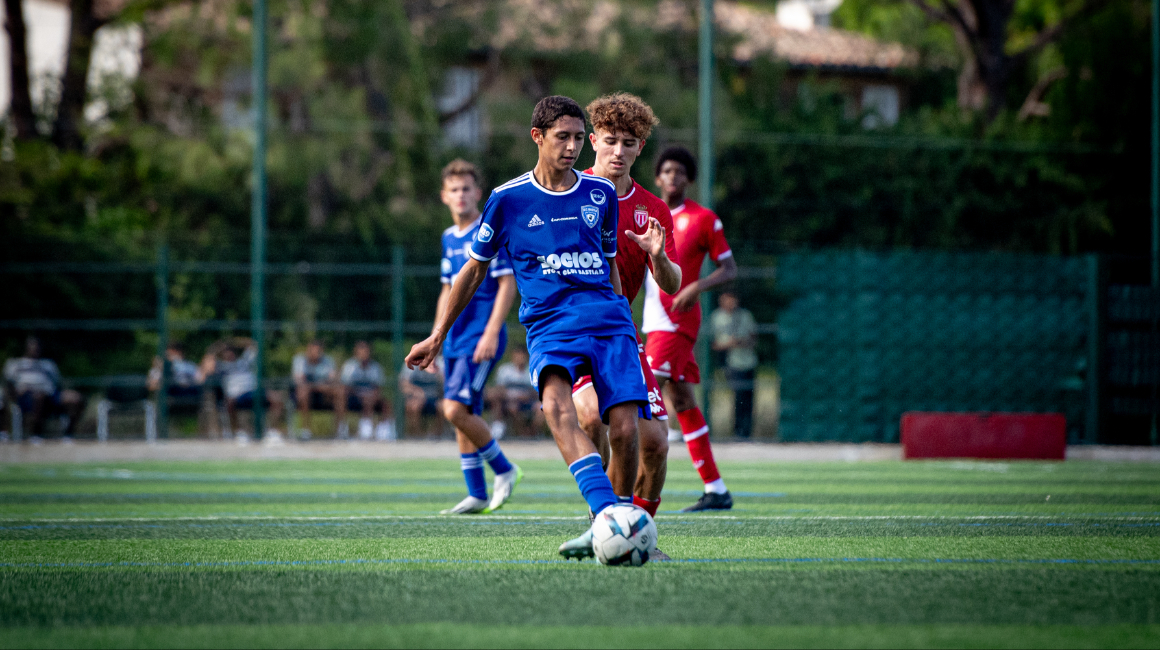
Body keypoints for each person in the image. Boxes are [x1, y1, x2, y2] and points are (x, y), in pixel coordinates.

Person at [406, 95, 649, 560]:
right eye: (564, 137)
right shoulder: (506, 199)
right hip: (549, 324)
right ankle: (608, 518)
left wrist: (626, 321)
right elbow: (474, 271)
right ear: (537, 137)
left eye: (579, 138)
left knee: (622, 429)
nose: (574, 147)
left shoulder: (599, 195)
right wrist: (438, 334)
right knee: (558, 408)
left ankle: (621, 524)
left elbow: (611, 265)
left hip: (607, 319)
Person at [573, 93, 682, 537]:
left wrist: (658, 256)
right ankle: (602, 518)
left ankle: (634, 535)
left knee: (655, 444)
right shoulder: (567, 190)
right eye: (611, 141)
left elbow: (672, 285)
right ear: (594, 141)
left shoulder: (653, 210)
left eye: (630, 143)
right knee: (588, 415)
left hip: (619, 332)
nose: (619, 151)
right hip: (570, 328)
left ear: (641, 148)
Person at [642, 145, 739, 511]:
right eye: (666, 170)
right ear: (657, 177)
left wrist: (696, 287)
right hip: (654, 320)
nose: (673, 176)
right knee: (681, 400)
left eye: (680, 171)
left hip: (677, 321)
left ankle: (628, 493)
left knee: (642, 391)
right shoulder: (648, 214)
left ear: (689, 178)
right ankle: (716, 489)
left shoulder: (704, 219)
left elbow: (729, 269)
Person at [432, 158, 522, 514]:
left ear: (478, 193)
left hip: (479, 338)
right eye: (454, 189)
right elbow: (446, 291)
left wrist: (491, 331)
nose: (461, 195)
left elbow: (506, 283)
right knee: (464, 412)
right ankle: (476, 492)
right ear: (444, 196)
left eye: (467, 188)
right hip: (454, 338)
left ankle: (504, 469)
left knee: (454, 408)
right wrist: (436, 337)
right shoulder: (447, 238)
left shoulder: (486, 230)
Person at [202, 337, 285, 443]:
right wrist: (219, 346)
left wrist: (234, 342)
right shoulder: (221, 366)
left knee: (276, 398)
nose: (229, 354)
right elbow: (207, 361)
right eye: (226, 352)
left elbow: (255, 345)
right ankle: (239, 432)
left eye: (231, 351)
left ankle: (272, 431)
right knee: (229, 402)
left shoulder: (244, 361)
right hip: (237, 395)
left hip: (253, 391)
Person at [2, 336, 83, 440]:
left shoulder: (48, 364)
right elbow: (8, 384)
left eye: (37, 346)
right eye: (32, 346)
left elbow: (58, 384)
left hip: (51, 395)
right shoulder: (16, 364)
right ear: (26, 347)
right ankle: (36, 434)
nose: (35, 349)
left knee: (76, 398)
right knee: (39, 397)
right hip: (26, 397)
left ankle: (68, 434)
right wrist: (15, 393)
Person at [710, 291, 758, 439]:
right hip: (731, 363)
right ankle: (737, 431)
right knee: (738, 398)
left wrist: (742, 342)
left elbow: (754, 338)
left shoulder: (745, 316)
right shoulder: (716, 317)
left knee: (749, 398)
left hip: (748, 361)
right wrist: (729, 344)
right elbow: (712, 344)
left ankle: (746, 433)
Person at [291, 340, 346, 439]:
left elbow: (333, 380)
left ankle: (340, 430)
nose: (315, 353)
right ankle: (305, 430)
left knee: (340, 391)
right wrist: (318, 386)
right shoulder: (299, 360)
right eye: (313, 350)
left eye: (318, 351)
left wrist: (320, 386)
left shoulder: (328, 361)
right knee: (303, 391)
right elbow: (299, 381)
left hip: (324, 394)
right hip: (305, 394)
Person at [340, 340, 393, 441]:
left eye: (366, 350)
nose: (364, 353)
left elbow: (378, 388)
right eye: (361, 350)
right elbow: (345, 386)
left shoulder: (375, 367)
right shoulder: (349, 366)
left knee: (385, 401)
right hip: (353, 397)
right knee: (341, 396)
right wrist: (361, 394)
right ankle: (342, 427)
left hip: (370, 397)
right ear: (356, 352)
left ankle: (378, 429)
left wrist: (369, 394)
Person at [489, 348, 542, 439]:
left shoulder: (531, 371)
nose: (520, 358)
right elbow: (499, 389)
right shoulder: (505, 370)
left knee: (541, 408)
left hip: (528, 401)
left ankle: (531, 433)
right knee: (511, 406)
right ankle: (516, 432)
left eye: (522, 356)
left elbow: (536, 390)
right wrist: (513, 396)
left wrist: (527, 396)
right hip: (509, 400)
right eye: (518, 355)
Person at [399, 357, 443, 439]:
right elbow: (404, 384)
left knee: (443, 407)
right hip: (416, 398)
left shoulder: (438, 362)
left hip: (434, 397)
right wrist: (416, 391)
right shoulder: (411, 362)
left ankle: (436, 436)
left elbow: (445, 383)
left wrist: (437, 372)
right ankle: (417, 436)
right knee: (414, 406)